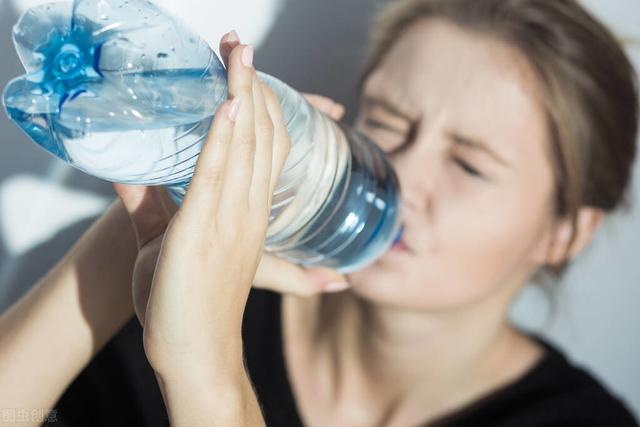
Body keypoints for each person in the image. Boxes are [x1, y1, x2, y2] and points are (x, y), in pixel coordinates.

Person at [1, 0, 638, 426]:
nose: (406, 174)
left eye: (469, 164)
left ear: (565, 233)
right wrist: (144, 228)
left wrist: (205, 367)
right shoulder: (177, 294)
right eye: (388, 122)